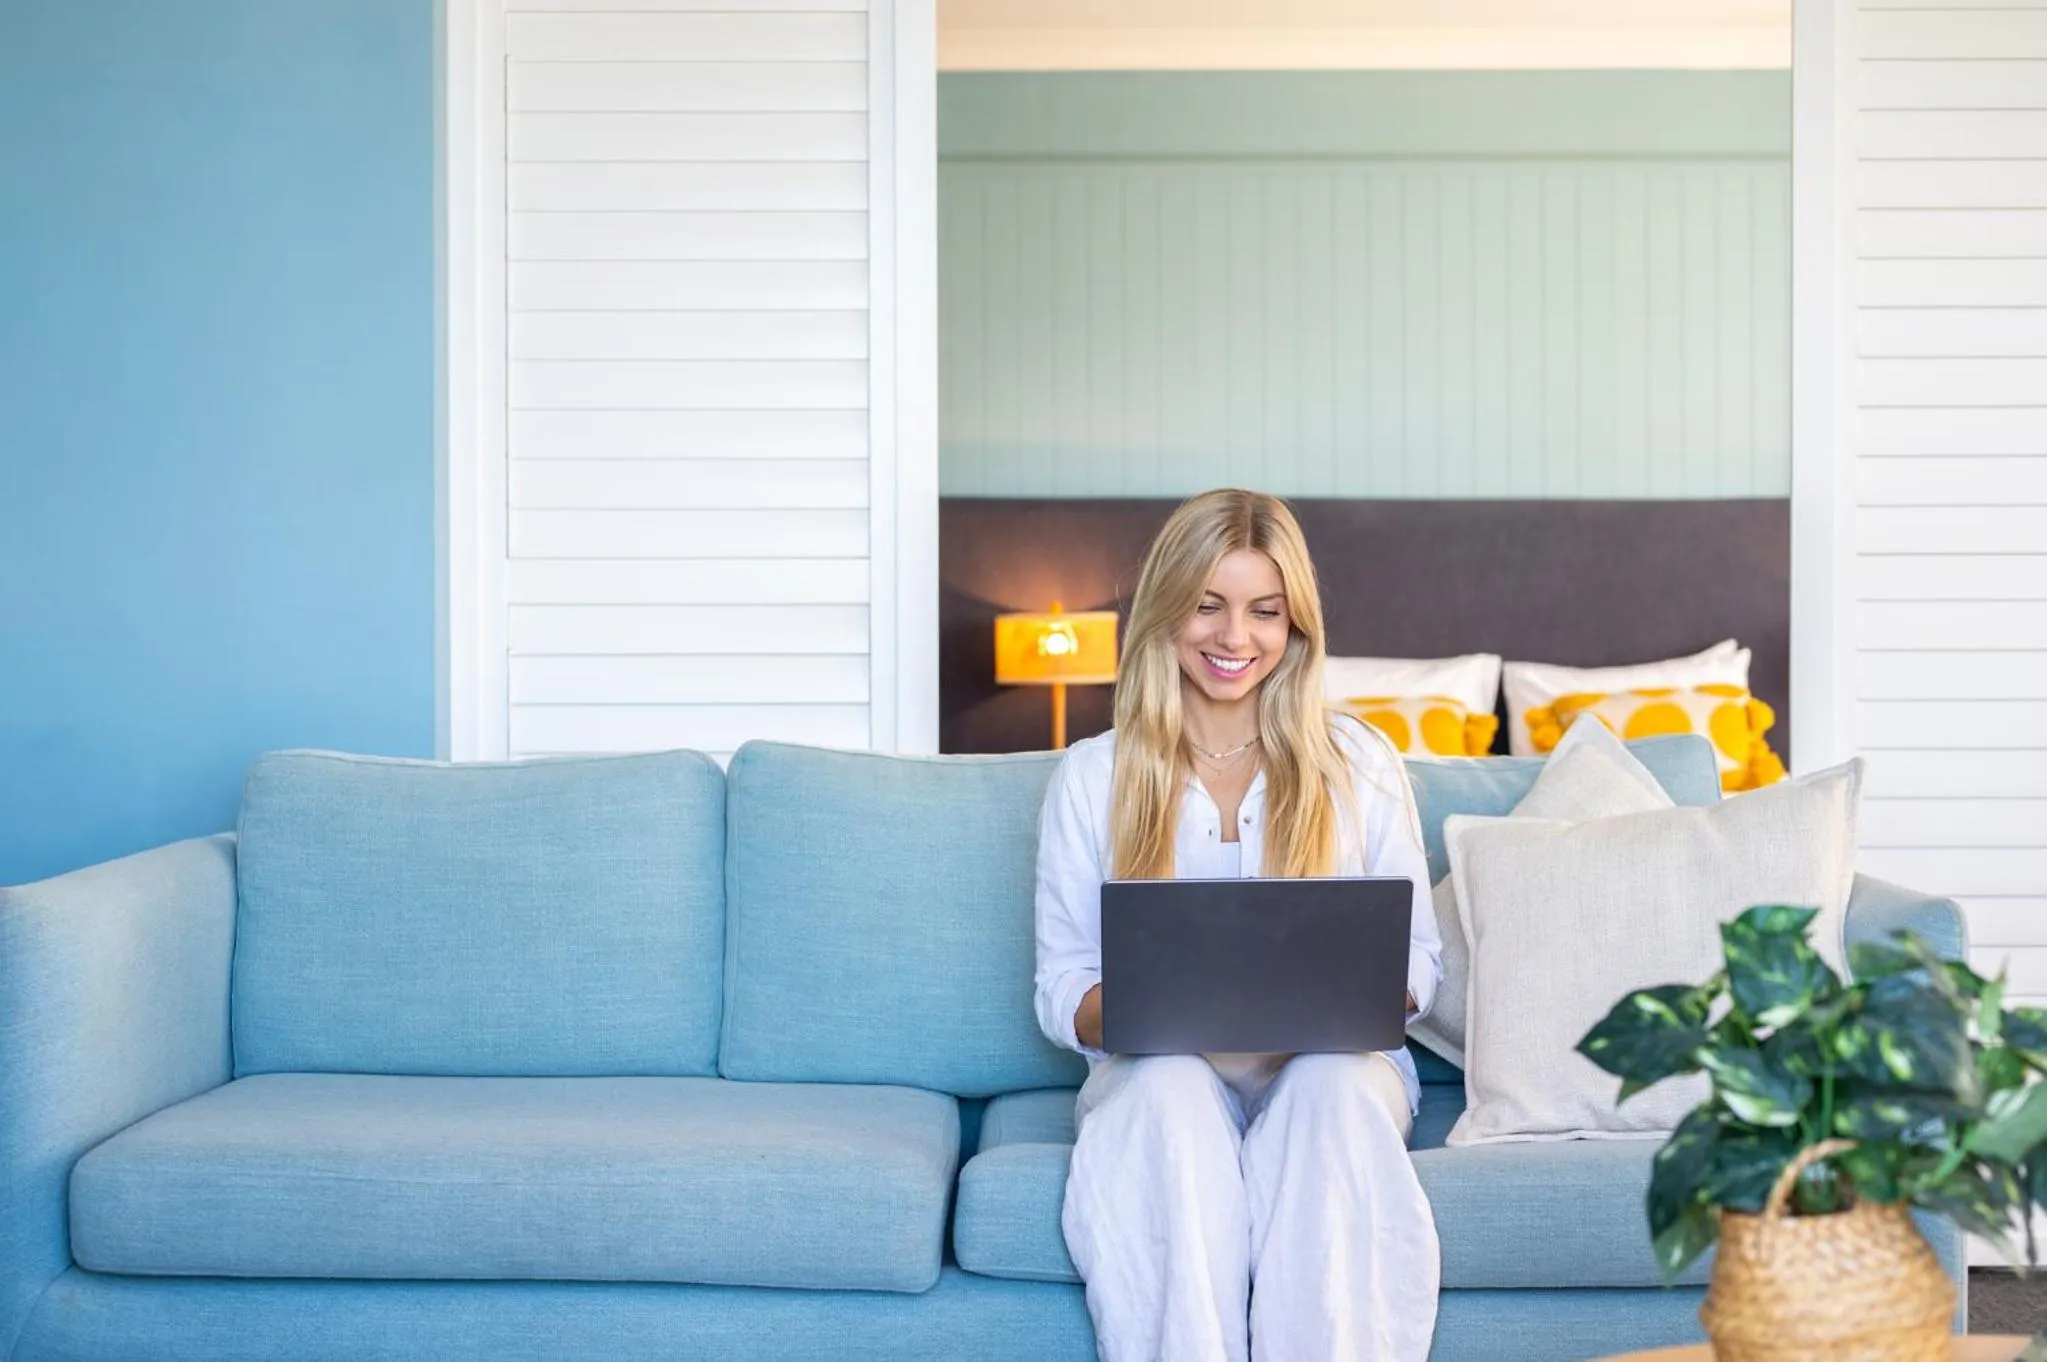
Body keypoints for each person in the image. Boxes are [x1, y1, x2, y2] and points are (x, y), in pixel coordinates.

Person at [1033, 488, 1444, 1362]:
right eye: (1207, 606)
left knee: (1331, 1089)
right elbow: (1060, 987)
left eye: (1264, 611)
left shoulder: (1358, 762)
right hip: (1159, 1075)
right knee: (1169, 1090)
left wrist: (1363, 987)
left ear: (1294, 624)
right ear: (1166, 610)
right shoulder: (1090, 775)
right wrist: (1155, 1008)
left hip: (1330, 1069)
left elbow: (1420, 961)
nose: (1234, 638)